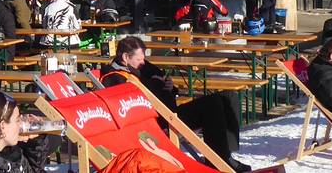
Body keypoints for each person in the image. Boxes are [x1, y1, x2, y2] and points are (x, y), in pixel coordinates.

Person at [100, 36, 250, 173]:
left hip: (170, 112)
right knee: (213, 104)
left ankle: (225, 155)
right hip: (159, 123)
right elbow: (134, 103)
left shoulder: (139, 66)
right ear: (125, 57)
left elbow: (161, 78)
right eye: (139, 59)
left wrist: (169, 86)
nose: (143, 62)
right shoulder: (114, 78)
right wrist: (158, 86)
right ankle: (218, 161)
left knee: (228, 96)